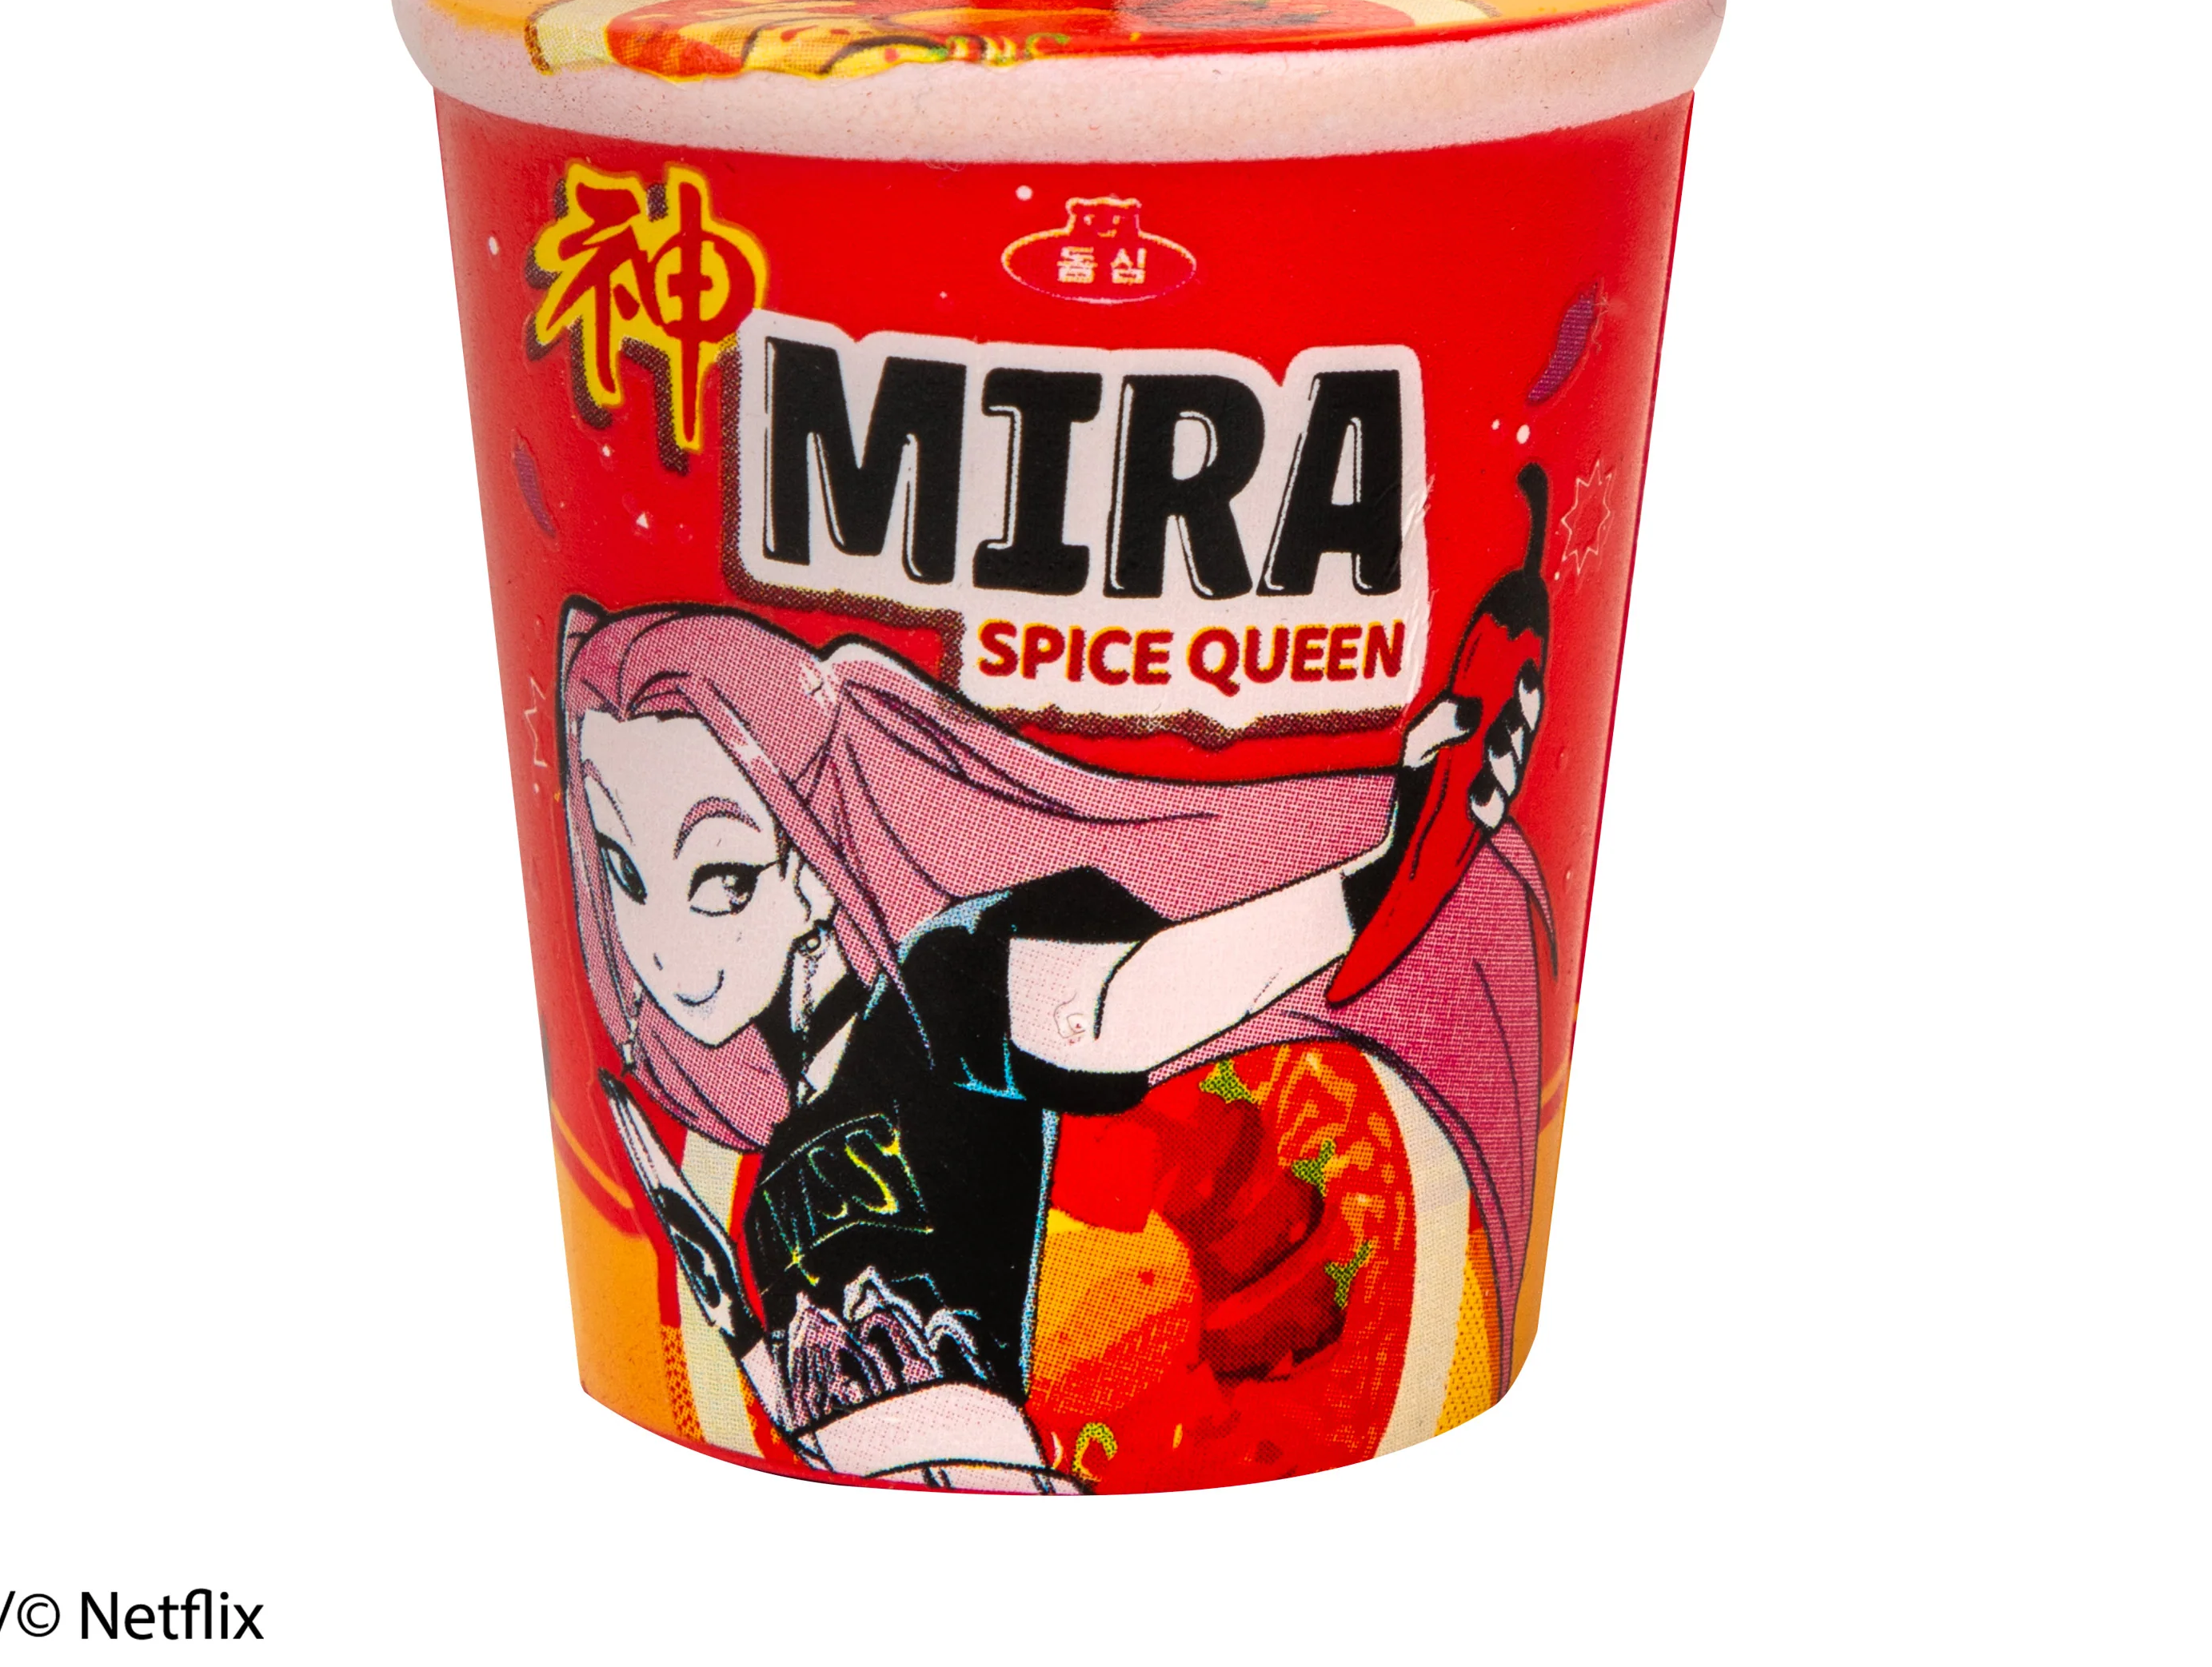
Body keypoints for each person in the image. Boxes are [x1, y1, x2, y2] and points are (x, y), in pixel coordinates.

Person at [561, 593, 1549, 1489]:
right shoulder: (771, 1164)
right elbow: (812, 1423)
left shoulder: (937, 992)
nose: (664, 945)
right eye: (624, 874)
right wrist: (744, 1340)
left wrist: (1375, 878)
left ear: (812, 875)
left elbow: (1117, 1006)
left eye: (722, 878)